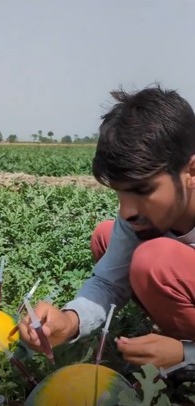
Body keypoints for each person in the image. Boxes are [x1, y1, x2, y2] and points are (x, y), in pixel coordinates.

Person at [19, 85, 195, 375]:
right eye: (119, 193)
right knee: (106, 235)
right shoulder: (136, 217)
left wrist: (185, 353)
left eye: (143, 190)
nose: (127, 211)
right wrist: (69, 321)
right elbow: (108, 282)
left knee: (155, 258)